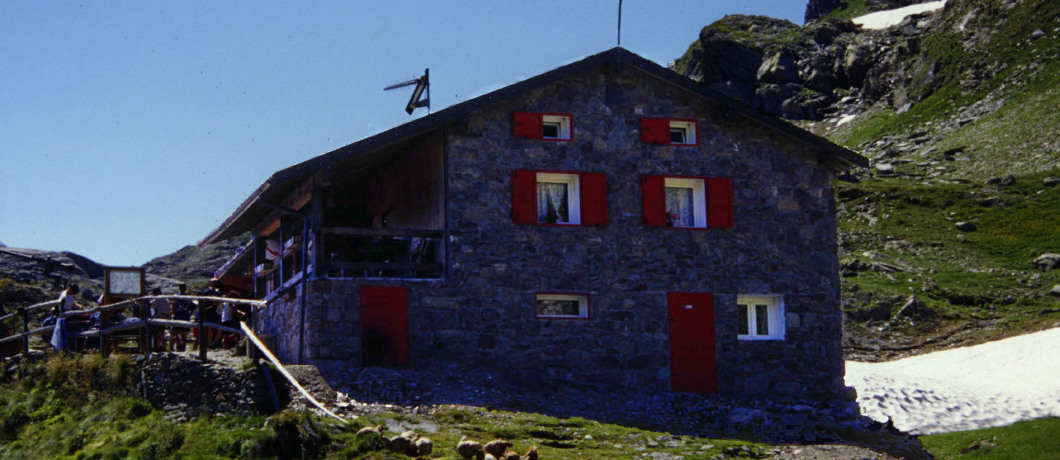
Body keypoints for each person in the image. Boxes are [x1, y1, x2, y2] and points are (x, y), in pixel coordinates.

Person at [193, 278, 223, 350]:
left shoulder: (218, 293)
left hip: (217, 312)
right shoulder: (206, 292)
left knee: (219, 329)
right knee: (210, 329)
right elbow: (203, 303)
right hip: (208, 312)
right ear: (210, 283)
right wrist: (211, 304)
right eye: (213, 283)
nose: (215, 284)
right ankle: (210, 345)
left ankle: (215, 343)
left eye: (216, 283)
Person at [170, 283, 192, 351]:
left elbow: (173, 307)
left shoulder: (176, 297)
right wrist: (189, 315)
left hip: (178, 316)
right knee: (183, 334)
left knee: (174, 332)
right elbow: (192, 307)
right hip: (185, 316)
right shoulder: (188, 297)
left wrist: (173, 313)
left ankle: (179, 344)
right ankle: (183, 348)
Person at [149, 288, 171, 352]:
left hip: (160, 316)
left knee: (158, 333)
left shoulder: (158, 299)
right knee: (162, 332)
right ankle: (163, 346)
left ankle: (157, 346)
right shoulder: (166, 299)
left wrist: (150, 299)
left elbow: (151, 305)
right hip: (166, 316)